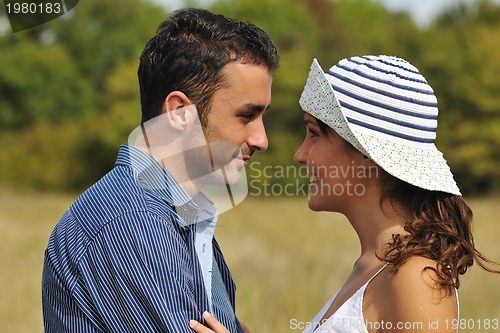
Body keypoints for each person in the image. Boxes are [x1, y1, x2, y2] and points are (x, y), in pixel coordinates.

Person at [189, 55, 498, 333]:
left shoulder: (415, 277)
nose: (300, 154)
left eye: (314, 134)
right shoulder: (375, 266)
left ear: (366, 154)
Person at [42, 8, 279, 333]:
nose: (261, 140)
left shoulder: (178, 214)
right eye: (246, 115)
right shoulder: (133, 223)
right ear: (180, 113)